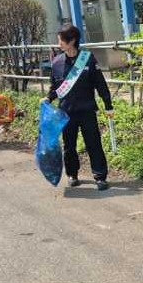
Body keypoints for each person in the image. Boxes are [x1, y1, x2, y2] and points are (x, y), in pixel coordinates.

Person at [44, 24, 114, 191]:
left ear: (72, 40)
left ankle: (100, 176)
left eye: (61, 40)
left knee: (94, 143)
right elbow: (55, 87)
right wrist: (48, 98)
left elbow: (100, 84)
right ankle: (72, 174)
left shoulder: (87, 59)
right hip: (66, 112)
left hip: (87, 110)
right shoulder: (57, 62)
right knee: (69, 145)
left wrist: (108, 104)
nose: (59, 43)